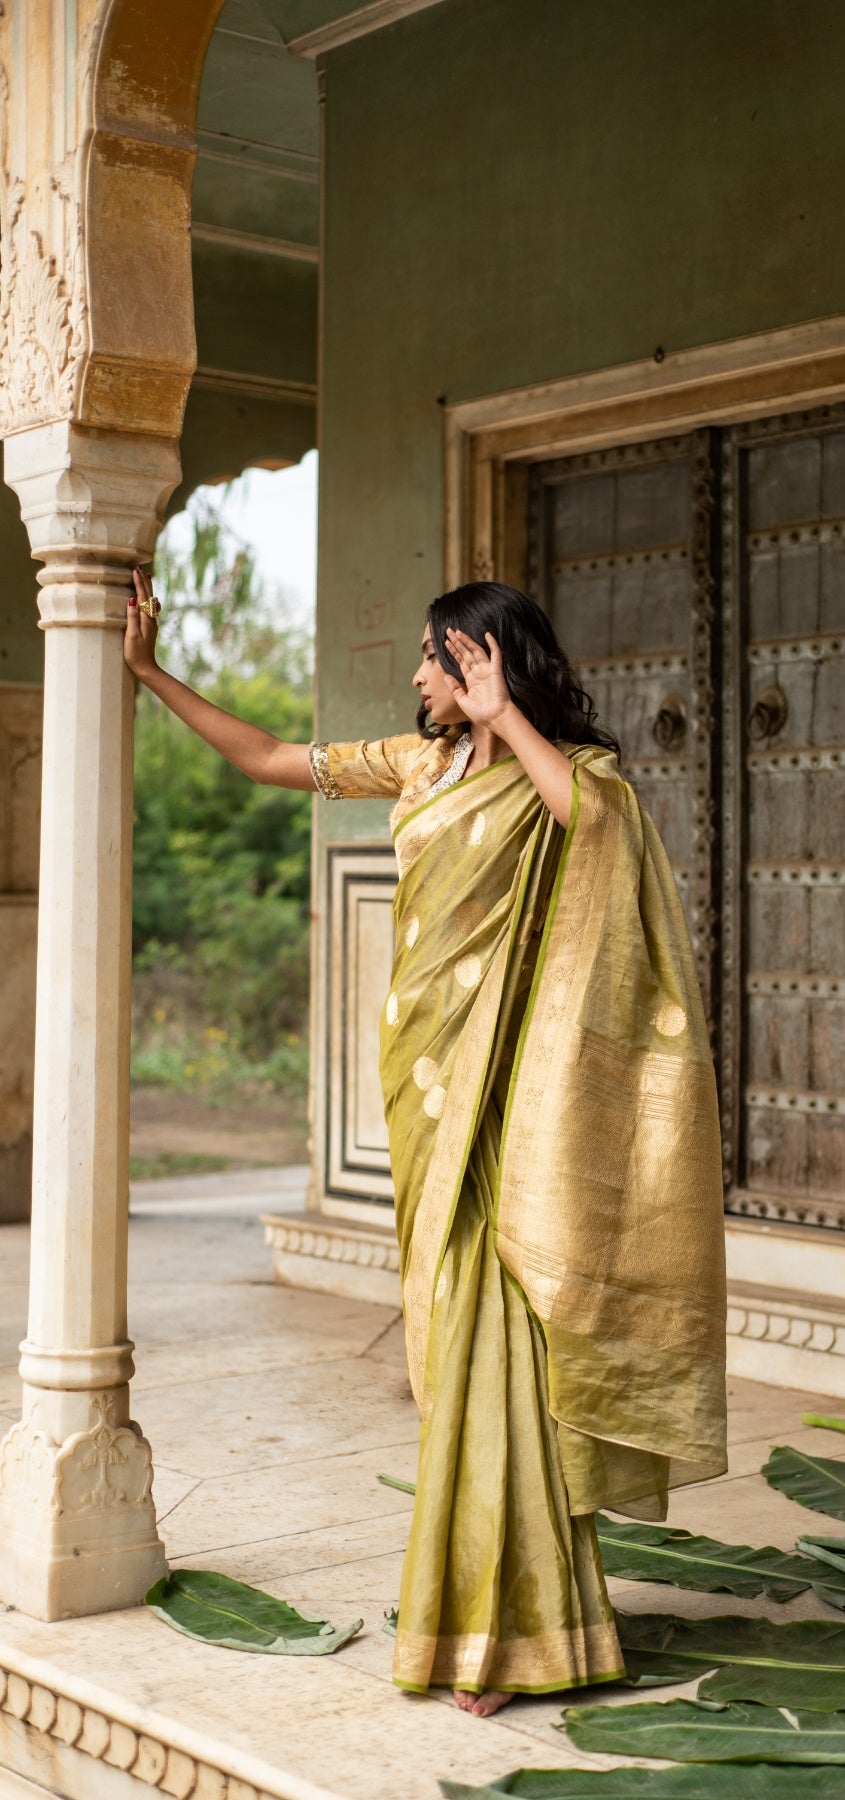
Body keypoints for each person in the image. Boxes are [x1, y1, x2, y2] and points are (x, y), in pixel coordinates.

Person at [124, 567, 727, 1717]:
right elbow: (265, 758)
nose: (416, 679)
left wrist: (508, 720)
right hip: (423, 1086)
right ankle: (503, 1607)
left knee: (499, 1350)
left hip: (510, 1101)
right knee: (453, 1347)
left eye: (434, 660)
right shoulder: (417, 764)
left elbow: (596, 830)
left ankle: (517, 1629)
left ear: (486, 664)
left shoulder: (575, 775)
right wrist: (152, 672)